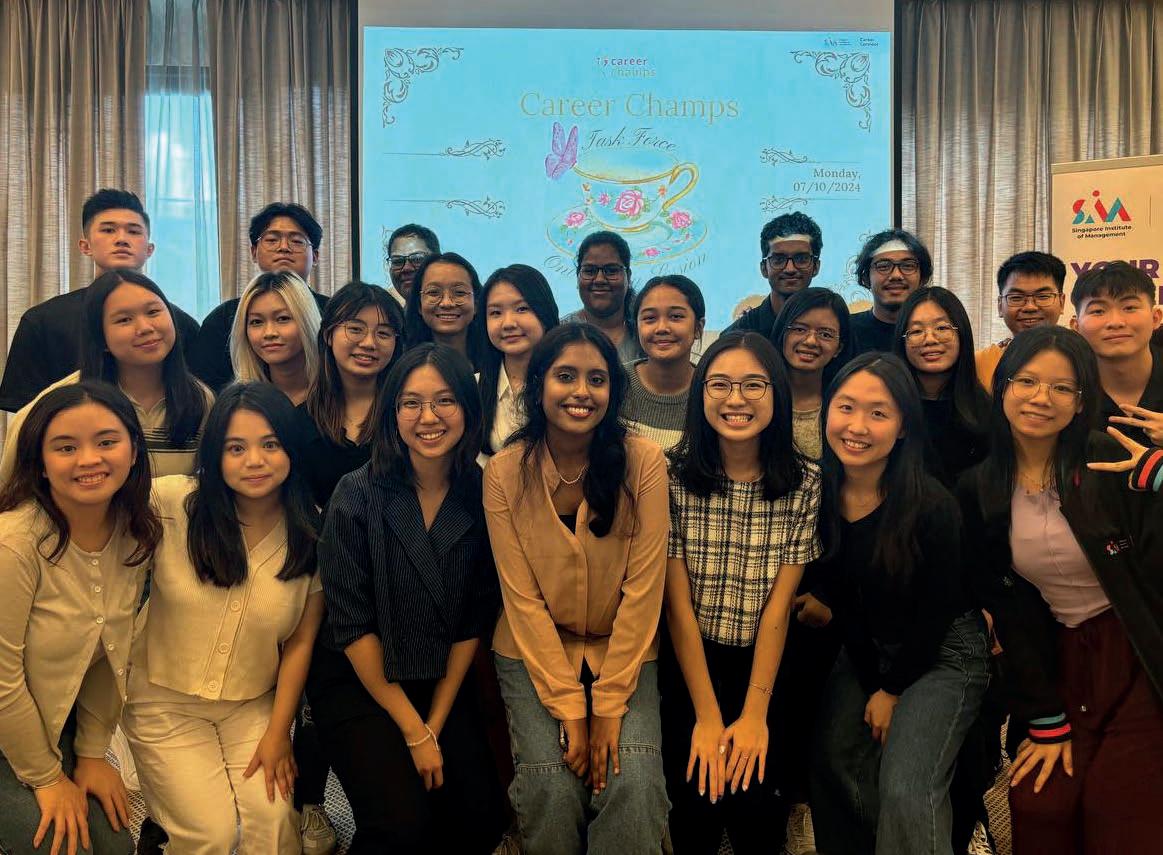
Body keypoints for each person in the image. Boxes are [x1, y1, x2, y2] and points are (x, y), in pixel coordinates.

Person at [956, 325, 1163, 853]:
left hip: (1143, 652)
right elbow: (1009, 606)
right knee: (1040, 800)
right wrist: (1044, 717)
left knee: (1118, 806)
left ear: (1081, 401)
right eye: (1026, 381)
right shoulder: (981, 487)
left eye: (1061, 387)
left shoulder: (1109, 458)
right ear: (1002, 387)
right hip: (1064, 655)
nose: (1040, 398)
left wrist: (1161, 480)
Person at [306, 344, 505, 852]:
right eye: (411, 403)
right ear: (392, 412)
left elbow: (472, 620)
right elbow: (352, 627)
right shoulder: (356, 493)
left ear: (468, 409)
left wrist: (434, 724)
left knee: (481, 818)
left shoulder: (483, 493)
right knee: (401, 827)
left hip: (439, 679)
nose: (428, 417)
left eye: (444, 401)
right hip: (360, 681)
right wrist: (415, 733)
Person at [484, 323, 670, 853]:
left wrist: (608, 706)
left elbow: (644, 591)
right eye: (565, 376)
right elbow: (522, 602)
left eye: (597, 379)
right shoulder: (504, 472)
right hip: (533, 646)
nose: (581, 392)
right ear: (539, 383)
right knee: (550, 782)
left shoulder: (643, 462)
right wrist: (570, 708)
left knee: (632, 781)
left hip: (624, 647)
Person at [121, 383, 324, 854]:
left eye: (270, 444)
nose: (255, 461)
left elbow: (300, 641)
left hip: (250, 707)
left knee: (274, 823)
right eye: (236, 448)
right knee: (209, 834)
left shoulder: (310, 529)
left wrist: (280, 733)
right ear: (215, 454)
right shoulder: (171, 503)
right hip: (162, 703)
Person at [808, 353, 990, 855]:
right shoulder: (819, 494)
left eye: (878, 413)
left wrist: (890, 690)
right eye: (846, 407)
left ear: (903, 426)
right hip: (870, 642)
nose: (857, 427)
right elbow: (846, 602)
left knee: (907, 787)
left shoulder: (931, 505)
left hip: (944, 650)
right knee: (833, 758)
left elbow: (936, 611)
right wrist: (873, 680)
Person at [661, 332, 822, 854]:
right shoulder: (670, 476)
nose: (736, 399)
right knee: (696, 811)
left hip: (765, 667)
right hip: (690, 664)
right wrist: (708, 717)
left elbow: (779, 610)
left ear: (777, 394)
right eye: (720, 385)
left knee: (756, 816)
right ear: (700, 393)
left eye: (754, 385)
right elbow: (677, 607)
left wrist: (754, 716)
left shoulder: (806, 482)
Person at [0, 381, 162, 855]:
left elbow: (111, 652)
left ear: (134, 450)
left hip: (54, 718)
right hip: (9, 723)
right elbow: (2, 680)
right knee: (62, 846)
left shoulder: (132, 533)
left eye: (106, 442)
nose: (89, 459)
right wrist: (47, 778)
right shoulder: (14, 544)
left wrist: (91, 752)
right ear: (40, 461)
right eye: (66, 447)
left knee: (114, 845)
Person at [1, 269, 211, 485]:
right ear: (100, 337)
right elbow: (15, 491)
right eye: (124, 319)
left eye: (153, 312)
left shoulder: (201, 399)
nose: (145, 328)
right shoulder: (57, 402)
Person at [0, 189, 200, 413]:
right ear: (85, 246)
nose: (121, 239)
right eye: (108, 230)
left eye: (133, 231)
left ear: (149, 249)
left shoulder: (181, 326)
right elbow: (27, 415)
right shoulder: (42, 321)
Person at [188, 203, 330, 391]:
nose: (284, 248)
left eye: (297, 241)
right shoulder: (223, 319)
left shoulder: (333, 313)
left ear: (316, 256)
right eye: (272, 240)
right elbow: (204, 390)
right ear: (254, 252)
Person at [299, 280, 405, 505]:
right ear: (328, 335)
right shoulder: (301, 421)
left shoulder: (407, 414)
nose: (369, 343)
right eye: (355, 329)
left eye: (383, 333)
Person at [892, 287, 991, 487]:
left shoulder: (985, 410)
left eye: (942, 328)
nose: (930, 339)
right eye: (916, 331)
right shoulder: (890, 407)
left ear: (961, 333)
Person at [1069, 261, 1163, 449]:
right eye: (1098, 311)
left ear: (1156, 318)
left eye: (1129, 307)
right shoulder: (1065, 387)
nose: (1115, 322)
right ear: (1076, 327)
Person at [478, 264, 560, 457]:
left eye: (522, 309)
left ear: (545, 313)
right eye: (495, 313)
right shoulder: (472, 388)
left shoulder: (569, 386)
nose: (508, 323)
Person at [624, 275, 706, 453]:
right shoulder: (615, 382)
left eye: (676, 316)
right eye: (650, 318)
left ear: (698, 328)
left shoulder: (711, 392)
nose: (661, 328)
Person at [770, 287, 851, 459]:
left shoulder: (848, 405)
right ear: (783, 333)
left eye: (825, 334)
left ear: (839, 348)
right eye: (800, 329)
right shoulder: (760, 397)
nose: (811, 341)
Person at [975, 252, 1067, 391]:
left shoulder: (1081, 359)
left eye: (1042, 296)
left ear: (1061, 302)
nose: (1030, 307)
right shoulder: (979, 363)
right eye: (1016, 297)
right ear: (1000, 306)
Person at [231, 271, 323, 406]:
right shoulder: (239, 406)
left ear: (307, 322)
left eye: (283, 318)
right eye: (256, 322)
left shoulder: (341, 397)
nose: (269, 333)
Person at [724, 212, 823, 336]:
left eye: (801, 259)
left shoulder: (833, 329)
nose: (790, 269)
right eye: (779, 260)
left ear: (816, 266)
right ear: (764, 268)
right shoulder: (736, 336)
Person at [561, 231, 645, 363]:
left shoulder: (646, 331)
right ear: (578, 277)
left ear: (628, 277)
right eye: (589, 271)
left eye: (611, 271)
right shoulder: (559, 334)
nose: (599, 279)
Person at [848, 229, 933, 356]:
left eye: (908, 266)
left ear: (923, 278)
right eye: (883, 266)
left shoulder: (935, 335)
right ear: (866, 278)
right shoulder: (845, 331)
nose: (896, 275)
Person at [403, 252, 487, 368]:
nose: (446, 303)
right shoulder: (405, 369)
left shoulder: (497, 367)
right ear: (419, 305)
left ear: (476, 304)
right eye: (434, 292)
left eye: (459, 293)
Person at [385, 224, 440, 306]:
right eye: (397, 261)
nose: (406, 268)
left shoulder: (455, 311)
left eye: (417, 259)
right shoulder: (387, 313)